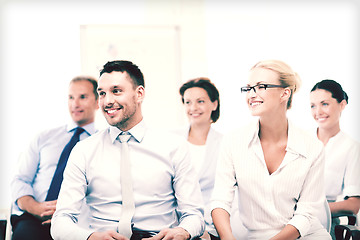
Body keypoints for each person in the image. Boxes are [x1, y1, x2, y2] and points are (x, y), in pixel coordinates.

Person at [50, 60, 205, 240]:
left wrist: (182, 231)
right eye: (102, 93)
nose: (107, 101)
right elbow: (60, 222)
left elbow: (194, 215)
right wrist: (91, 237)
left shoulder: (174, 147)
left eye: (116, 91)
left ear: (139, 94)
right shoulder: (83, 151)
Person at [211, 59, 331, 239]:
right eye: (248, 88)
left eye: (261, 87)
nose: (251, 94)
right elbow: (220, 200)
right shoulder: (233, 142)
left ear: (285, 93)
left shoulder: (312, 147)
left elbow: (306, 214)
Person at [10, 76, 99, 240]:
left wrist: (67, 215)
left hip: (79, 223)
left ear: (98, 101)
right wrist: (36, 208)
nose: (75, 104)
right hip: (34, 220)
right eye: (71, 97)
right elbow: (20, 180)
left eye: (83, 97)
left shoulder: (103, 144)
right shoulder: (44, 138)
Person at [176, 78, 247, 240]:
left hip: (211, 227)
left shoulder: (226, 144)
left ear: (214, 104)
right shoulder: (172, 141)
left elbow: (230, 195)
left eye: (200, 101)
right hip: (175, 225)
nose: (193, 108)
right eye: (187, 102)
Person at [310, 79, 360, 239]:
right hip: (286, 216)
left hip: (323, 223)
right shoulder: (300, 141)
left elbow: (354, 204)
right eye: (312, 105)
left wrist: (313, 210)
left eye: (324, 104)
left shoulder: (351, 147)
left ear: (342, 104)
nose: (318, 111)